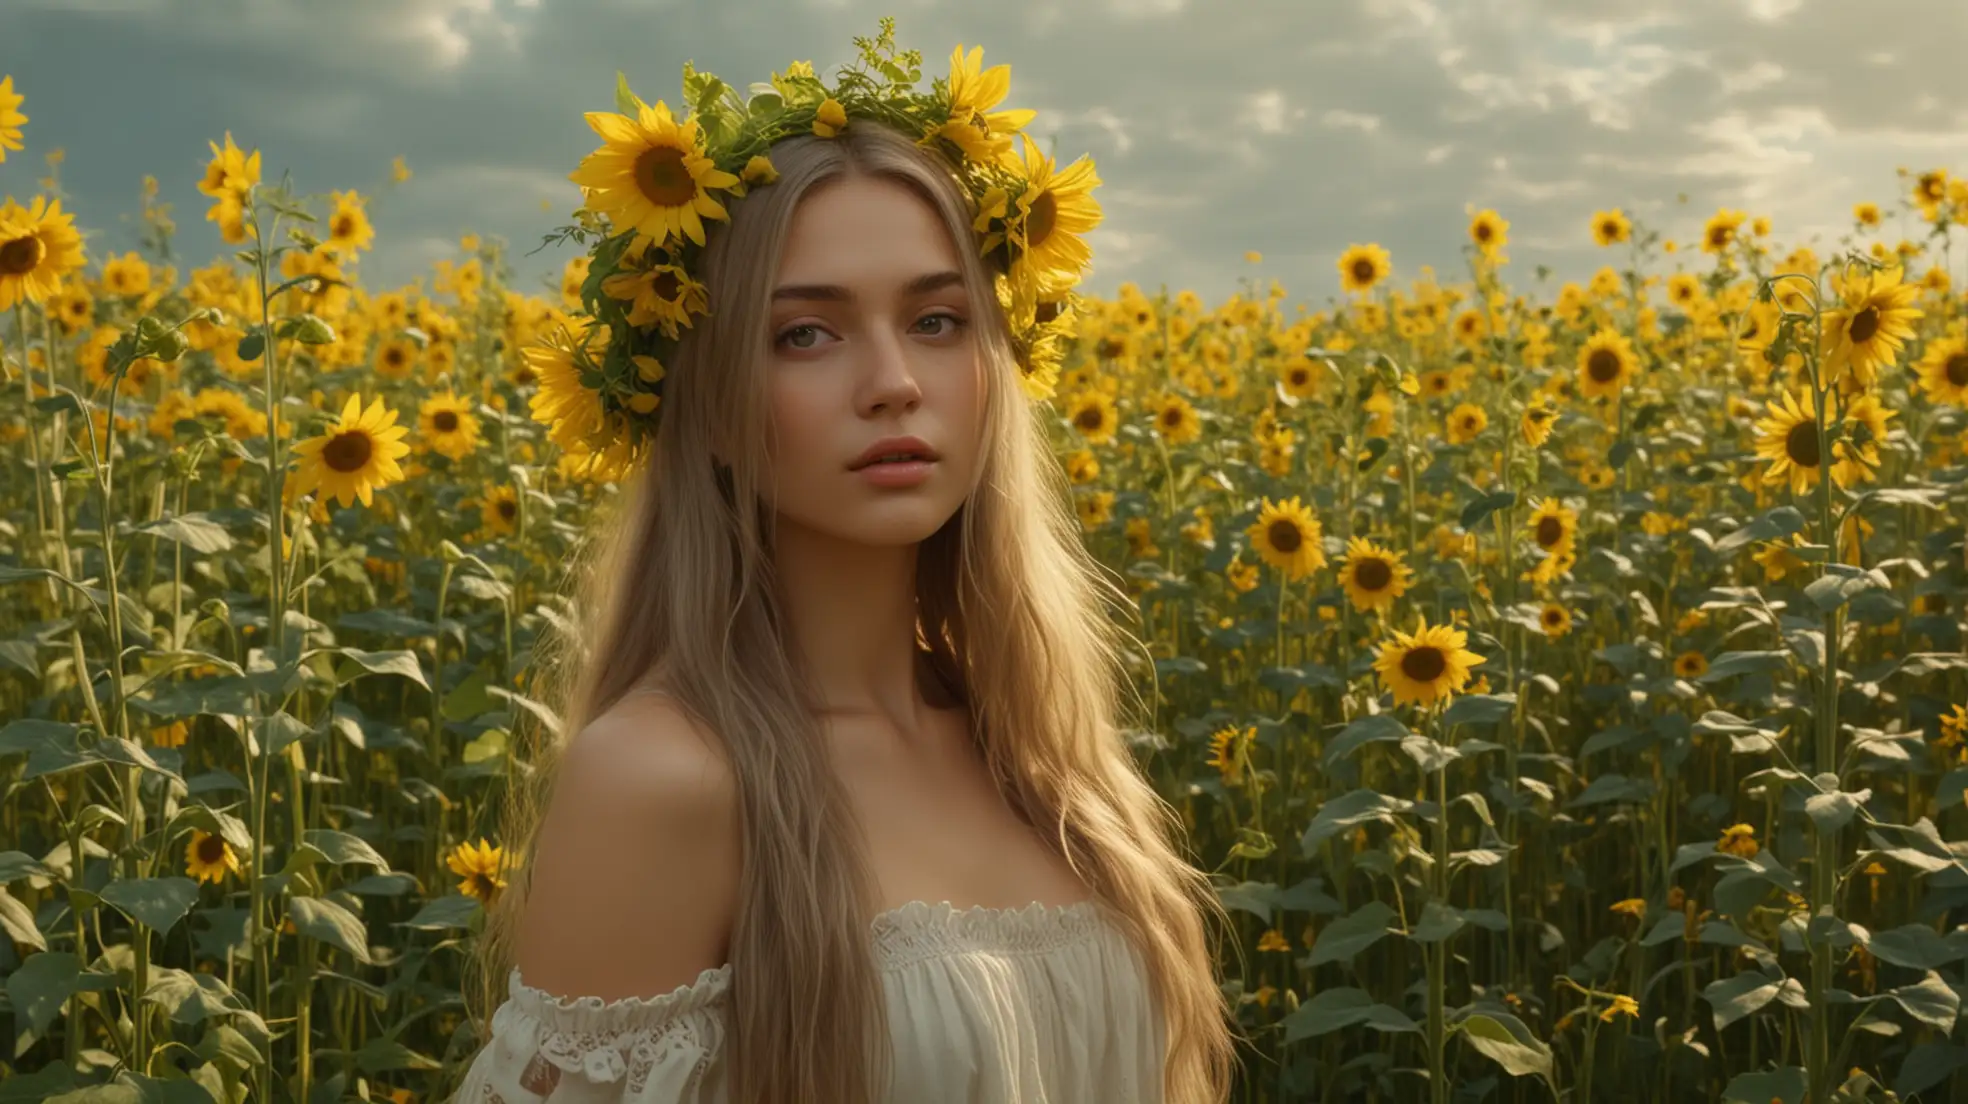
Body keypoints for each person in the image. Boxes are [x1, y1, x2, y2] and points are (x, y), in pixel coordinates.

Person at [447, 31, 1241, 1104]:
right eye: (806, 335)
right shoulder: (666, 780)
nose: (894, 381)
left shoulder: (1049, 759)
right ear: (710, 408)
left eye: (937, 320)